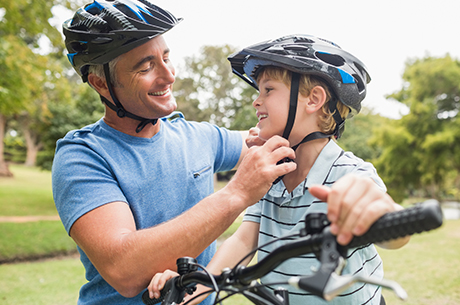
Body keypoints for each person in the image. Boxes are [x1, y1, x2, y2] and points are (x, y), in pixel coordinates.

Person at [51, 1, 296, 304]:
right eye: (146, 66)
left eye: (166, 58)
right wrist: (237, 194)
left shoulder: (198, 137)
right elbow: (124, 269)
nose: (169, 75)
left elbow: (272, 140)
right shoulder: (83, 156)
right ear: (101, 83)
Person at [148, 34, 410, 304]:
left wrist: (381, 214)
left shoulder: (350, 174)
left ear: (313, 100)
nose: (256, 101)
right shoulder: (272, 176)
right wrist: (194, 292)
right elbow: (243, 242)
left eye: (268, 90)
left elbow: (395, 235)